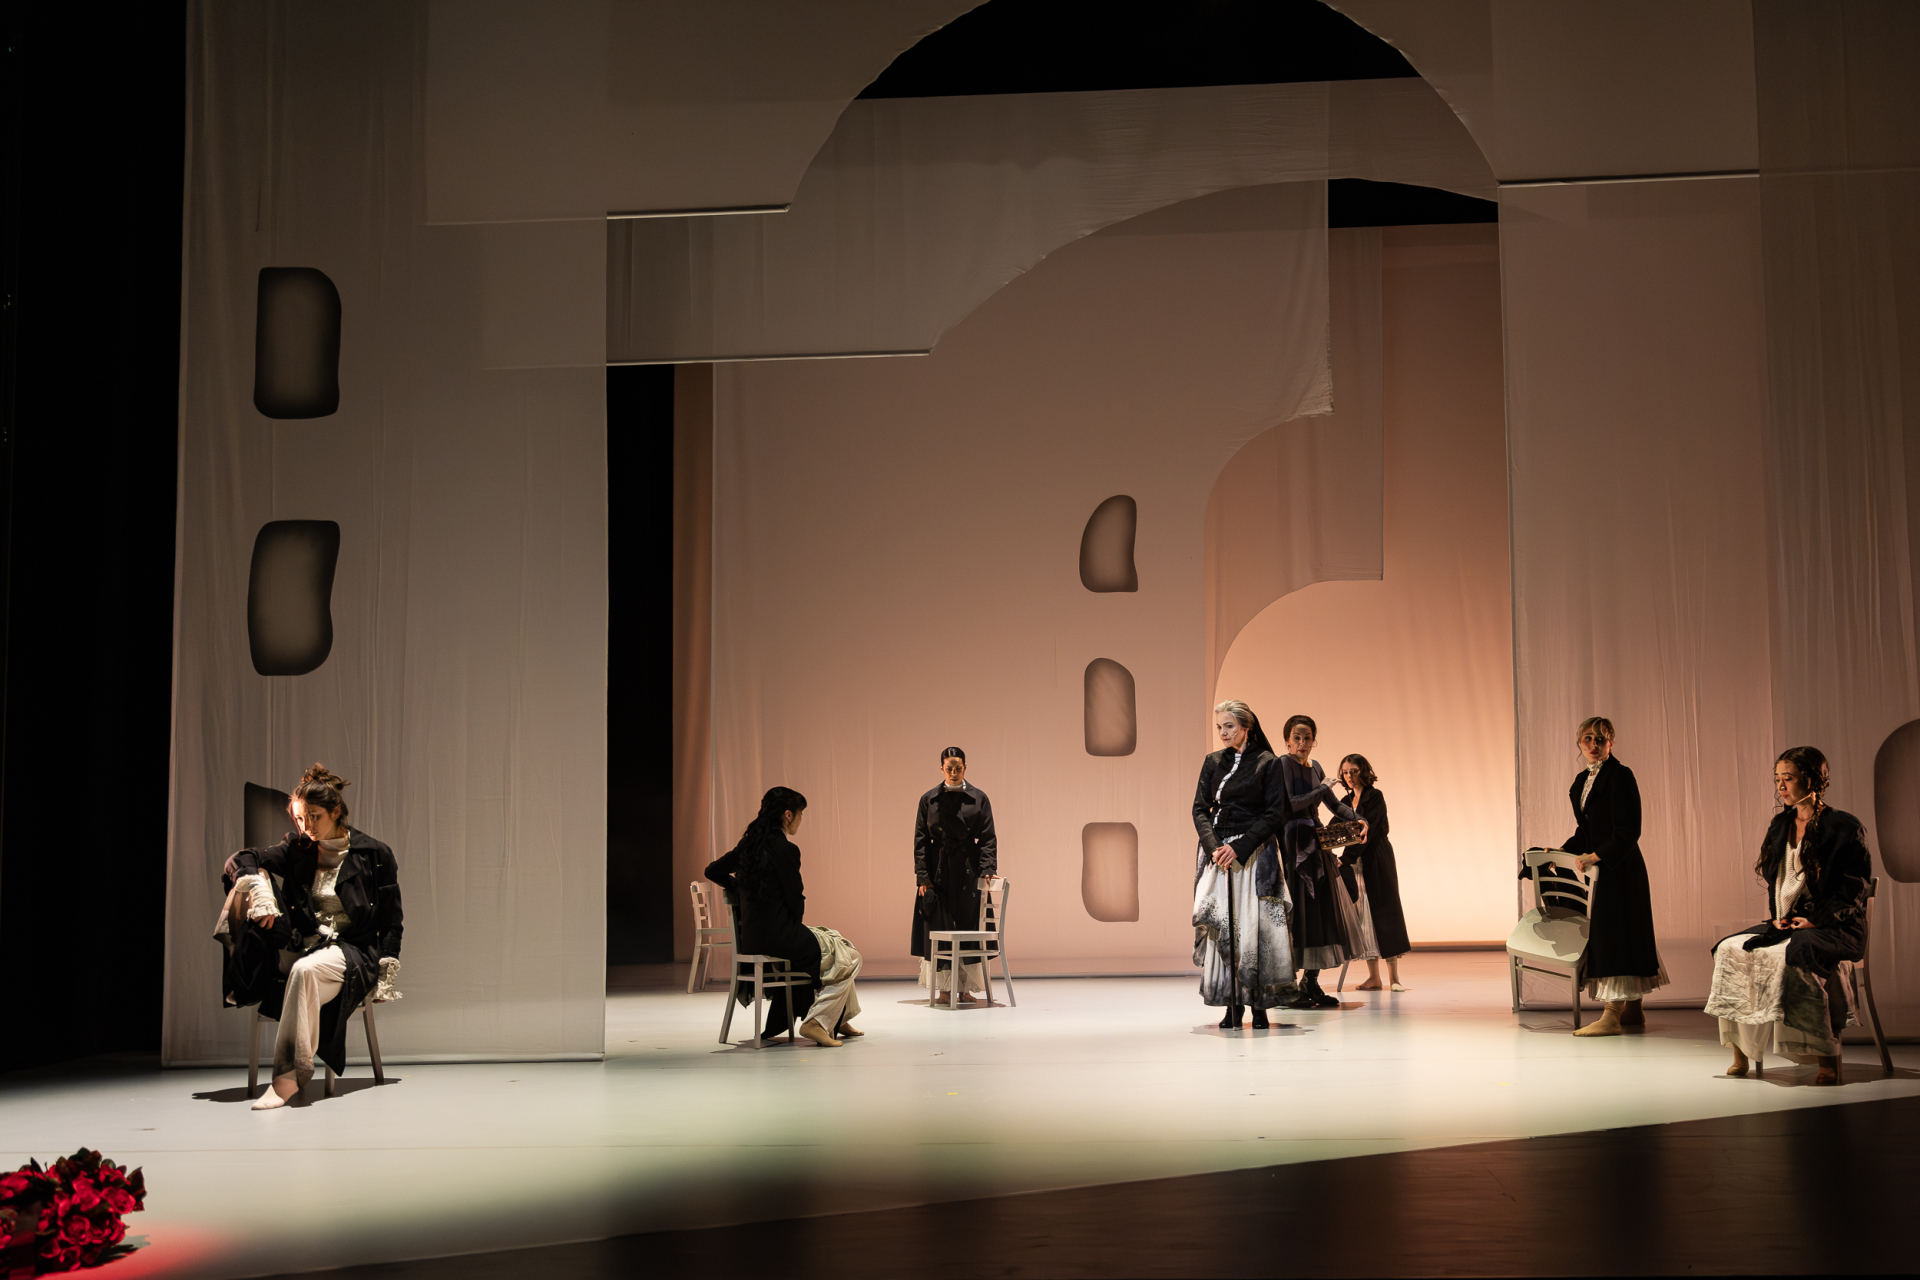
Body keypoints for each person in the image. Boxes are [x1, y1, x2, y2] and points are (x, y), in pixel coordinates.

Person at [221, 764, 404, 1110]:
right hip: (300, 944)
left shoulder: (375, 854)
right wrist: (258, 890)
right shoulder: (298, 848)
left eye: (314, 817)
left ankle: (287, 1079)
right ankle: (242, 971)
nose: (306, 827)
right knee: (252, 879)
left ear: (336, 812)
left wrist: (385, 971)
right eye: (299, 818)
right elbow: (240, 858)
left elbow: (392, 921)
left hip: (350, 953)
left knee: (305, 971)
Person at [1703, 747, 1870, 1085]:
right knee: (1730, 948)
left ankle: (1825, 1056)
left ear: (1812, 779)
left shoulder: (1844, 827)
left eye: (1788, 778)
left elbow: (1854, 888)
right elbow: (1778, 881)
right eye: (1777, 779)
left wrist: (1816, 919)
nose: (1780, 786)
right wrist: (1781, 918)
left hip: (1836, 926)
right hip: (1791, 922)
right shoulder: (1781, 825)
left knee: (1797, 952)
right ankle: (1741, 1050)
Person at [706, 786, 864, 1048]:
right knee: (850, 956)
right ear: (788, 815)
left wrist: (739, 889)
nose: (801, 819)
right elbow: (795, 900)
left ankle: (839, 1017)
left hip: (754, 938)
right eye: (800, 814)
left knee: (835, 941)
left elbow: (712, 870)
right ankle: (818, 1021)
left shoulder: (749, 846)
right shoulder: (785, 849)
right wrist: (794, 928)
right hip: (780, 937)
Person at [1561, 717, 1668, 1037]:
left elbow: (1629, 829)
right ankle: (1633, 1009)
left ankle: (1612, 1014)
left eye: (1600, 739)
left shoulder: (1620, 775)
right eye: (1587, 738)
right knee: (1618, 932)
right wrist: (1561, 851)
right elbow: (1586, 831)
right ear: (1579, 742)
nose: (1593, 744)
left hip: (1621, 867)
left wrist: (1597, 856)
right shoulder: (1582, 780)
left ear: (1611, 742)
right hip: (1602, 868)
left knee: (1616, 935)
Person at [1191, 699, 1294, 1028]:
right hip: (1218, 855)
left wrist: (1240, 847)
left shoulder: (1268, 763)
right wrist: (1215, 848)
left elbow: (1274, 813)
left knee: (1255, 930)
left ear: (1246, 728)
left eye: (1229, 726)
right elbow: (1199, 809)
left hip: (1254, 853)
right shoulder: (1212, 762)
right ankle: (1231, 1004)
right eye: (1219, 727)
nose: (1223, 733)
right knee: (1225, 927)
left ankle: (1259, 1006)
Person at [1277, 715, 1365, 1010]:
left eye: (1307, 737)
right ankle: (1288, 987)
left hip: (1316, 844)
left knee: (1320, 911)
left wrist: (1359, 818)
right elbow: (1292, 803)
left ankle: (1310, 982)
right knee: (1298, 912)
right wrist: (1321, 788)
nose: (1302, 743)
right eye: (1297, 737)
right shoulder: (1283, 764)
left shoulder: (1315, 767)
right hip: (1294, 844)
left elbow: (1334, 804)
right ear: (1287, 740)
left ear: (1314, 740)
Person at [911, 748, 998, 1004]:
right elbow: (920, 839)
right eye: (949, 768)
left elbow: (987, 837)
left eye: (958, 768)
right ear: (941, 768)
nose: (953, 773)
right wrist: (923, 876)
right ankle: (944, 990)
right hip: (938, 868)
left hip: (968, 868)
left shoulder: (979, 797)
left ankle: (965, 988)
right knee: (939, 925)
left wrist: (988, 868)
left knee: (969, 924)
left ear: (965, 768)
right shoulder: (929, 799)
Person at [1335, 754, 1410, 991]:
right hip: (1356, 862)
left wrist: (1345, 858)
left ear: (1363, 771)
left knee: (1385, 912)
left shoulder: (1374, 796)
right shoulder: (1345, 801)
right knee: (1364, 915)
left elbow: (1367, 832)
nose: (1349, 776)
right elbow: (1334, 828)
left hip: (1376, 858)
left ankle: (1394, 978)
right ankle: (1374, 977)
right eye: (1345, 772)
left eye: (1354, 771)